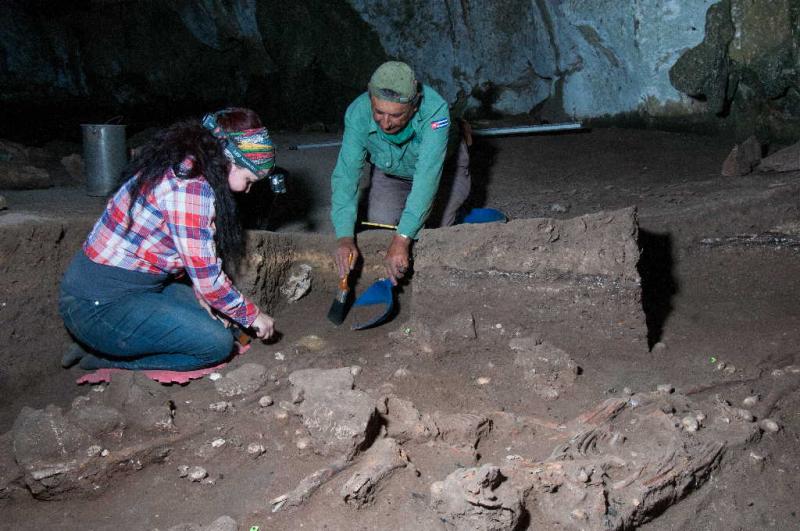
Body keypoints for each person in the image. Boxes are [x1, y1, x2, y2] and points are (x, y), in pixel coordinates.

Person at [59, 107, 276, 371]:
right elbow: (209, 282)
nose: (248, 189)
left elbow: (194, 259)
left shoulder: (185, 162)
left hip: (130, 287)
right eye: (248, 179)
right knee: (216, 344)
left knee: (219, 319)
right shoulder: (190, 188)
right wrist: (253, 316)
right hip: (98, 305)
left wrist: (210, 297)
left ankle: (103, 340)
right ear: (228, 160)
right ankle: (106, 359)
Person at [330, 61, 471, 285]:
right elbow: (346, 175)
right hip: (391, 170)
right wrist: (344, 236)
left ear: (414, 107)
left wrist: (403, 238)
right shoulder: (357, 113)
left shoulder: (435, 111)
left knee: (432, 234)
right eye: (379, 112)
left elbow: (427, 178)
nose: (386, 123)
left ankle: (459, 212)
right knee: (382, 225)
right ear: (370, 99)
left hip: (443, 172)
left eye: (396, 116)